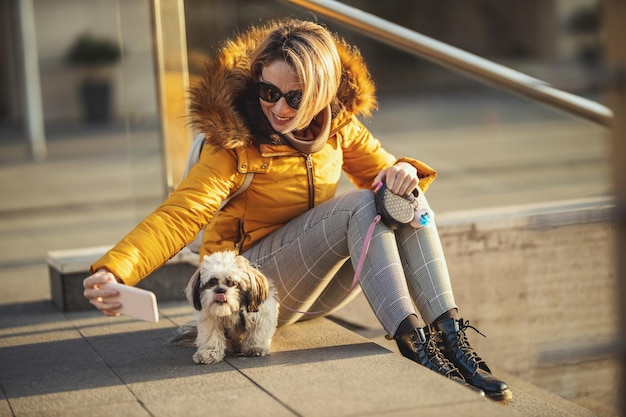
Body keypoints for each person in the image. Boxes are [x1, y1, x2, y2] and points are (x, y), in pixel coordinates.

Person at [82, 18, 511, 401]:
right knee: (360, 204)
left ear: (321, 94)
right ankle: (418, 349)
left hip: (312, 287)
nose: (279, 108)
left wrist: (402, 170)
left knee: (402, 195)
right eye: (269, 91)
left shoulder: (338, 127)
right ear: (257, 81)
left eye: (295, 96)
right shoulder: (235, 142)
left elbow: (386, 176)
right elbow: (180, 214)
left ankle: (452, 338)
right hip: (250, 291)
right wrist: (116, 270)